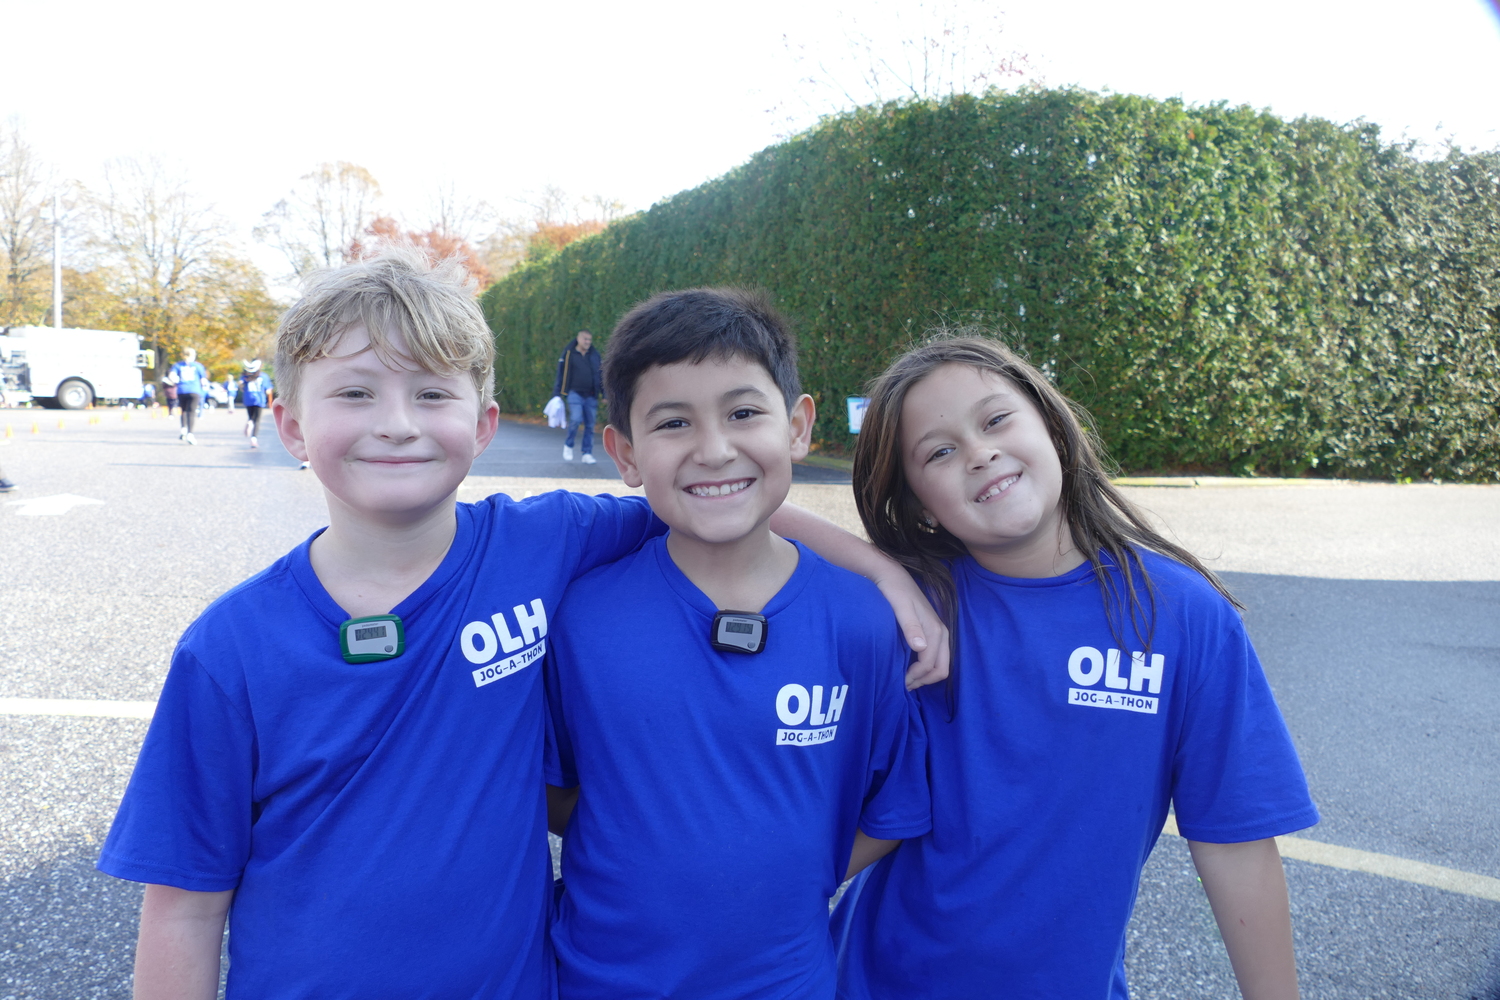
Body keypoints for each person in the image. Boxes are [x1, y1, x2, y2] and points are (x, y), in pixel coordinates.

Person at [96, 249, 948, 1000]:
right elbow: (184, 902)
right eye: (355, 393)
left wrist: (877, 570)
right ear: (289, 428)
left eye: (431, 393)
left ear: (484, 425)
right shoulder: (231, 649)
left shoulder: (545, 543)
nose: (397, 422)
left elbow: (720, 501)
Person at [831, 336, 1320, 1000]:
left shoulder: (1181, 616)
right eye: (939, 452)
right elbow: (749, 517)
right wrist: (877, 567)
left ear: (1053, 429)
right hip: (867, 983)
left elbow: (1235, 838)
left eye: (996, 419)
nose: (980, 453)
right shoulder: (912, 610)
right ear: (918, 503)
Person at [544, 288, 933, 1000]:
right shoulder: (580, 618)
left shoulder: (861, 625)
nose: (714, 448)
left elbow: (891, 809)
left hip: (786, 982)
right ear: (624, 453)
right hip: (597, 980)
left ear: (798, 426)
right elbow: (558, 790)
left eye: (744, 412)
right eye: (672, 423)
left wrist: (783, 877)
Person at [553, 329, 603, 464]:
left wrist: (604, 393)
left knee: (590, 425)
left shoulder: (594, 355)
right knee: (575, 419)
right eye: (585, 339)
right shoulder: (569, 354)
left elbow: (601, 374)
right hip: (574, 393)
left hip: (591, 395)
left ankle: (587, 453)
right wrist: (557, 394)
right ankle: (569, 445)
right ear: (579, 339)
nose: (587, 342)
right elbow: (561, 375)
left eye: (589, 340)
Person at [167, 348, 209, 444]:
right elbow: (203, 380)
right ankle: (190, 433)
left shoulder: (177, 365)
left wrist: (175, 381)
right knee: (192, 412)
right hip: (194, 390)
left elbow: (171, 376)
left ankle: (183, 429)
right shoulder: (198, 366)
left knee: (184, 411)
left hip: (182, 390)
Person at [238, 360, 273, 449]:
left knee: (251, 417)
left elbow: (241, 387)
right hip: (259, 400)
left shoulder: (245, 377)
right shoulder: (264, 376)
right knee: (257, 420)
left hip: (248, 399)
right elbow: (268, 390)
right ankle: (254, 438)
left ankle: (250, 421)